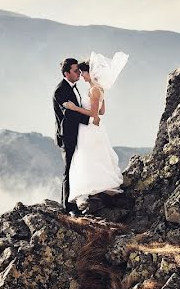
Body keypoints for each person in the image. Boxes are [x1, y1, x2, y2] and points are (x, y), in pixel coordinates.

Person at [61, 52, 128, 213]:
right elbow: (102, 111)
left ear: (89, 73)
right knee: (97, 158)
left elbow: (94, 114)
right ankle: (99, 191)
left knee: (88, 158)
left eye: (82, 72)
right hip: (95, 128)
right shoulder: (99, 89)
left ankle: (94, 191)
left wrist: (74, 108)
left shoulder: (93, 90)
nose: (81, 75)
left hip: (89, 129)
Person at [52, 58, 89, 215]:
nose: (78, 72)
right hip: (67, 134)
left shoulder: (73, 87)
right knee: (68, 170)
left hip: (76, 133)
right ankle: (68, 206)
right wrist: (90, 118)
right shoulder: (60, 90)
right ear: (66, 73)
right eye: (75, 70)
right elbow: (70, 114)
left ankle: (73, 203)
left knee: (75, 167)